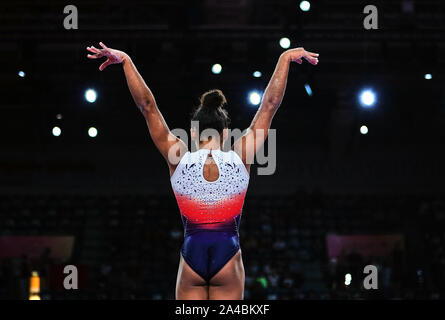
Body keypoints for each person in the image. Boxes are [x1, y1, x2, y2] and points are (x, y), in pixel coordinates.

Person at [86, 42, 319, 299]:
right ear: (227, 132)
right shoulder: (240, 157)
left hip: (191, 254)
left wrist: (126, 61)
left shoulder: (178, 158)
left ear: (194, 132)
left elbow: (147, 106)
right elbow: (269, 105)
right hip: (228, 253)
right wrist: (285, 58)